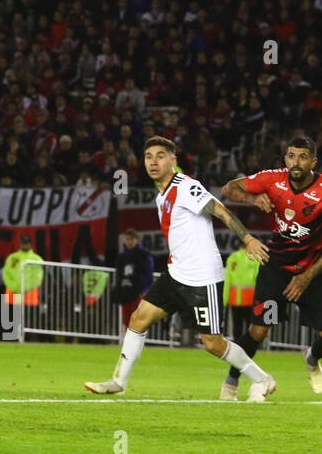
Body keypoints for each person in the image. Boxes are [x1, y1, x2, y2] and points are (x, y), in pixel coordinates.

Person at [85, 137, 275, 400]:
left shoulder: (186, 186)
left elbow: (220, 210)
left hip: (202, 276)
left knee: (213, 344)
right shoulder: (160, 196)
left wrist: (248, 238)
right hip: (176, 273)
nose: (153, 161)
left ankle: (262, 379)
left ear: (173, 160)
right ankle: (118, 381)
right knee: (139, 319)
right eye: (149, 156)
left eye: (160, 155)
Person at [218, 136, 322, 399]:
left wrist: (306, 277)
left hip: (312, 268)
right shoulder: (272, 178)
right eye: (291, 156)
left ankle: (312, 357)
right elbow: (227, 189)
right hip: (276, 266)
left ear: (313, 161)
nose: (295, 162)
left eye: (302, 157)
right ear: (285, 158)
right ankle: (232, 381)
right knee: (259, 330)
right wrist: (250, 198)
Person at [114, 229, 154, 332]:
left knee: (138, 319)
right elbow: (119, 275)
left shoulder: (144, 255)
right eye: (127, 239)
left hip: (138, 292)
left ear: (137, 240)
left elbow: (148, 273)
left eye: (132, 239)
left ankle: (138, 342)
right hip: (125, 292)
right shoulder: (121, 257)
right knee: (126, 320)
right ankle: (129, 343)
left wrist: (144, 289)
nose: (129, 241)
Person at [2, 235, 43, 306]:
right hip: (14, 291)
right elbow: (6, 273)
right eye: (23, 243)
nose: (24, 245)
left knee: (28, 315)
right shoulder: (12, 257)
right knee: (15, 314)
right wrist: (14, 286)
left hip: (29, 293)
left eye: (26, 243)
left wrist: (24, 287)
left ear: (30, 244)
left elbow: (38, 277)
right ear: (20, 244)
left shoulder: (36, 259)